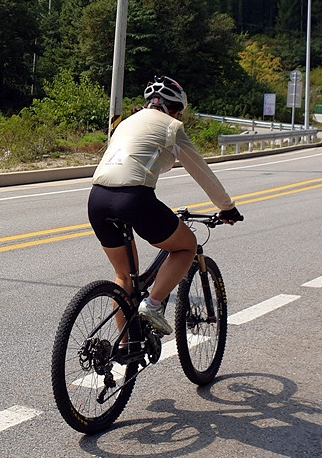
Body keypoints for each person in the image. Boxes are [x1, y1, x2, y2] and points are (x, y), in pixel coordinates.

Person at [87, 75, 242, 335]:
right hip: (134, 198)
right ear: (174, 109)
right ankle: (153, 304)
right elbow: (201, 172)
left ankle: (125, 348)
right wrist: (227, 207)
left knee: (124, 278)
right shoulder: (172, 126)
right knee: (186, 246)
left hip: (97, 198)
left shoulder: (125, 123)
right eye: (179, 112)